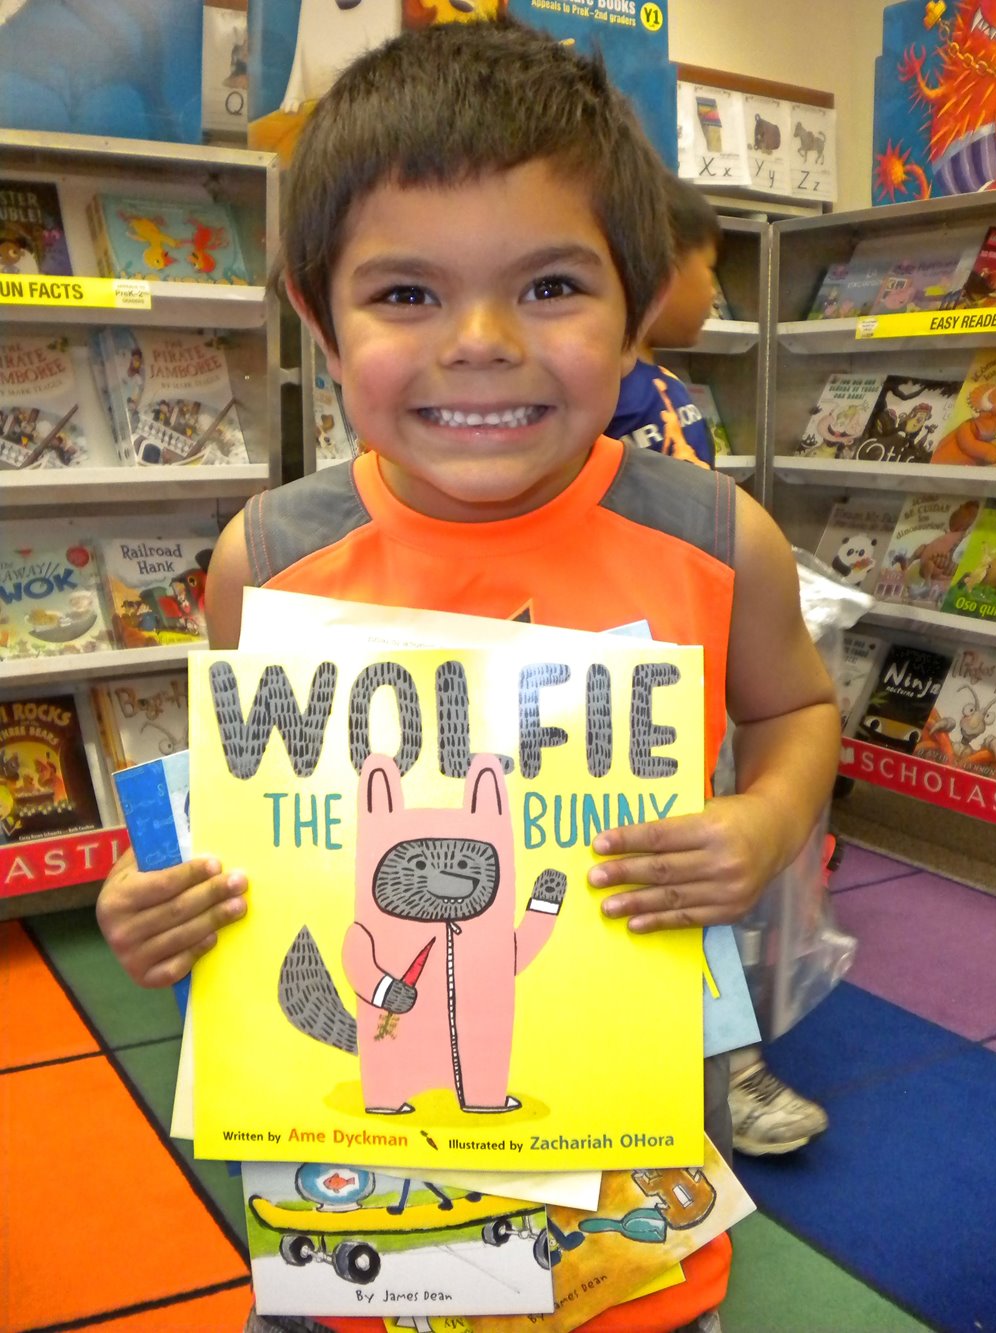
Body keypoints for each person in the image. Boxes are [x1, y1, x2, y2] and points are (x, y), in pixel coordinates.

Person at [95, 19, 840, 1333]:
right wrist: (160, 898)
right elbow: (242, 811)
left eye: (550, 286)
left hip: (627, 1218)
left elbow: (795, 708)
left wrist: (766, 821)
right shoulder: (269, 560)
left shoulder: (717, 538)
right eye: (405, 294)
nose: (481, 340)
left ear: (638, 312)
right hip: (352, 1225)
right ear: (319, 322)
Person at [608, 175, 833, 1159]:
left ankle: (723, 1065)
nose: (715, 293)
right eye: (709, 270)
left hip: (682, 685)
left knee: (689, 873)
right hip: (617, 691)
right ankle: (721, 1067)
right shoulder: (621, 393)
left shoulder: (667, 393)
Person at [606, 174, 721, 467]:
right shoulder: (605, 400)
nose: (713, 292)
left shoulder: (665, 383)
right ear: (658, 274)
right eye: (709, 268)